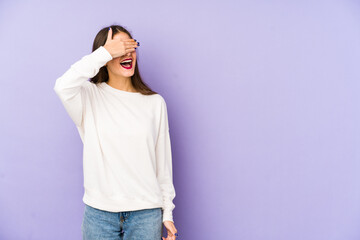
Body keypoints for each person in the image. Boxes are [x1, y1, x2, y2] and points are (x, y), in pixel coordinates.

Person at [53, 24, 178, 240]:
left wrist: (168, 213)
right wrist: (105, 52)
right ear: (104, 56)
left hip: (146, 215)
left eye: (130, 47)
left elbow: (163, 165)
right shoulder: (88, 97)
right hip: (99, 215)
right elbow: (62, 86)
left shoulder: (155, 103)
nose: (127, 53)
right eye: (119, 48)